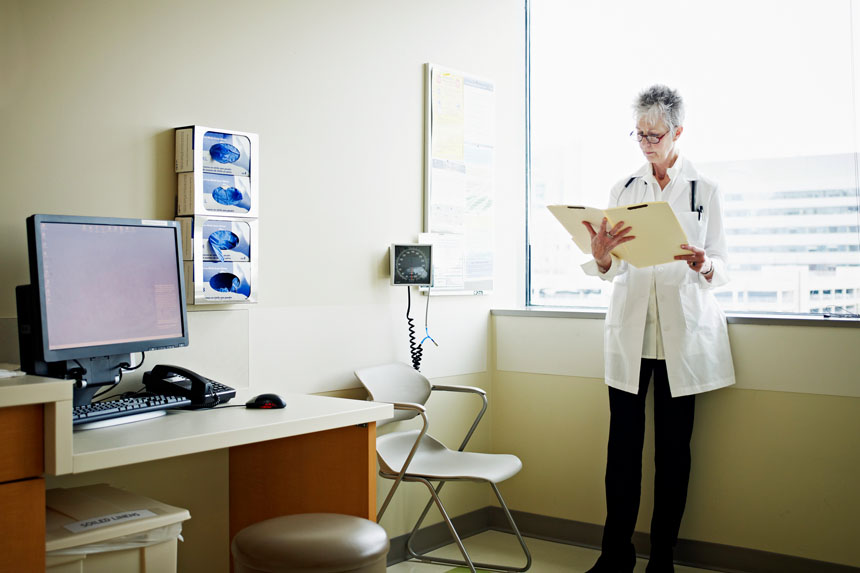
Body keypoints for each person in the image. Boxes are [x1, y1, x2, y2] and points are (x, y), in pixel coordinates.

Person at [581, 85, 735, 573]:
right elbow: (616, 267)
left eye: (655, 134)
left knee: (673, 455)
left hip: (680, 341)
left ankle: (662, 558)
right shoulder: (624, 188)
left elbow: (725, 267)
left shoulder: (703, 190)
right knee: (621, 454)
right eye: (640, 134)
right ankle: (615, 557)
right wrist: (602, 259)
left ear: (678, 132)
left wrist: (705, 264)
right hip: (632, 334)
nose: (646, 143)